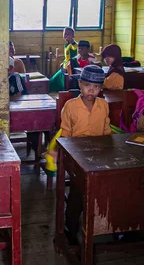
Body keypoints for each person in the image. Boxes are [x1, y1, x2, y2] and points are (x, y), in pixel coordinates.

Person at [60, 65, 111, 244]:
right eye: (87, 85)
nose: (91, 90)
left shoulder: (104, 105)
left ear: (101, 88)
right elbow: (65, 134)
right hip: (77, 157)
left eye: (96, 87)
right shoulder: (71, 106)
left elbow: (106, 131)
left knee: (106, 187)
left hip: (98, 156)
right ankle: (70, 228)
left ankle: (103, 223)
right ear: (80, 84)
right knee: (77, 192)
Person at [49, 27, 78, 92]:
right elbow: (67, 57)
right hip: (66, 64)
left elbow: (75, 49)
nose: (66, 36)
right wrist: (64, 62)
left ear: (73, 36)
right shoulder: (66, 44)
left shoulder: (74, 44)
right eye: (65, 34)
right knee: (54, 79)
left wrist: (72, 42)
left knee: (61, 79)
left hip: (71, 65)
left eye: (68, 34)